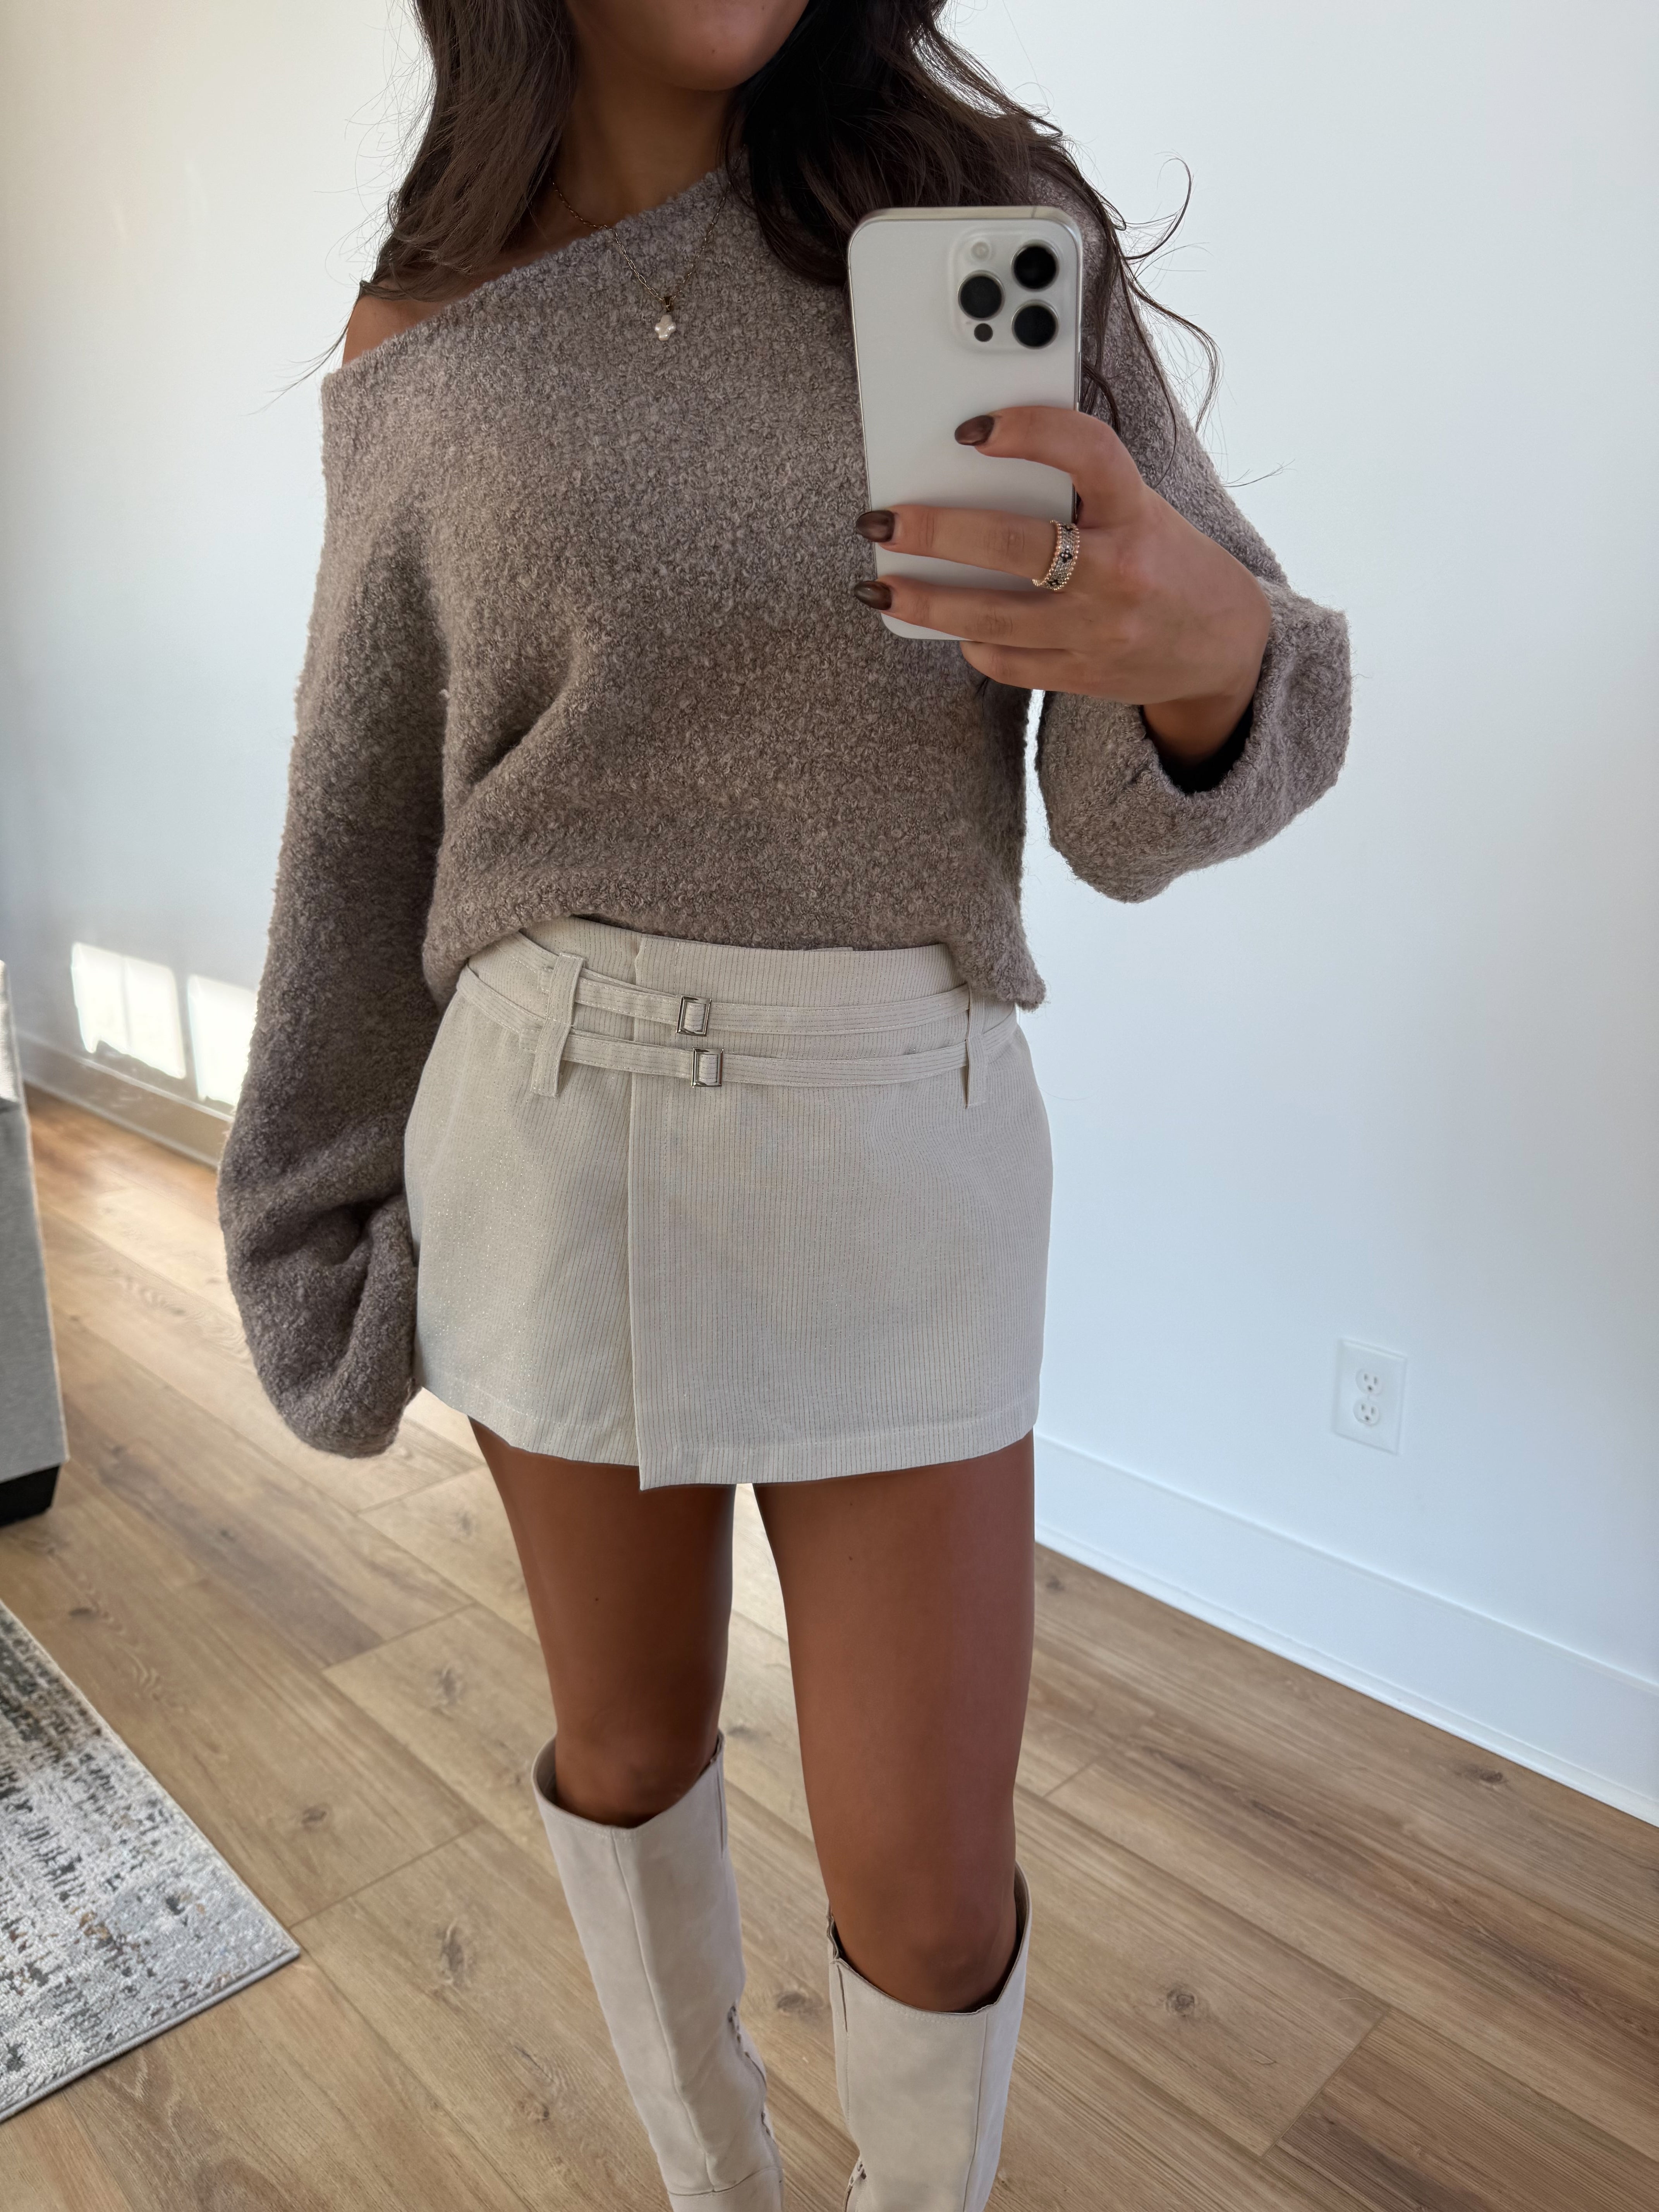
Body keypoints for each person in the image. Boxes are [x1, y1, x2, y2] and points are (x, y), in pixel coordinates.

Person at [218, 2, 1350, 2204]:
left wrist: (1206, 652)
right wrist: (309, 1181)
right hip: (550, 1127)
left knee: (928, 1887)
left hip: (898, 1135)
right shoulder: (426, 333)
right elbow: (361, 810)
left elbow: (1135, 809)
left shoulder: (985, 239)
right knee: (629, 1746)